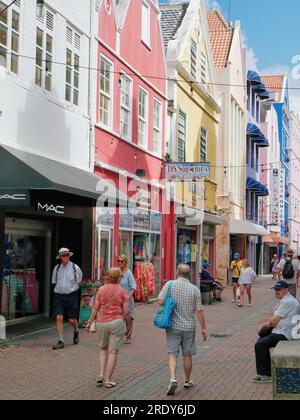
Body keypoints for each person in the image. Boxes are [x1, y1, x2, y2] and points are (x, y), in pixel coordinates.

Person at [158, 264, 207, 396]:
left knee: (172, 353)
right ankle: (187, 380)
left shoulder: (169, 285)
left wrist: (169, 303)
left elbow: (159, 300)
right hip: (189, 326)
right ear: (189, 274)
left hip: (173, 326)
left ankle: (173, 378)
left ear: (177, 272)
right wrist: (203, 328)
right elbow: (200, 310)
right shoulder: (194, 289)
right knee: (187, 354)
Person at [86, 268, 129, 388]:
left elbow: (95, 308)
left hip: (101, 322)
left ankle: (100, 374)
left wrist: (89, 322)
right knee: (113, 352)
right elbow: (126, 311)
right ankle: (108, 379)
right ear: (118, 278)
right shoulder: (122, 291)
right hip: (117, 322)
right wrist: (127, 324)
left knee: (103, 348)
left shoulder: (101, 289)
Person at [254, 280, 299, 383]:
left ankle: (266, 375)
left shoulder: (287, 301)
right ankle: (264, 372)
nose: (276, 292)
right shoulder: (286, 299)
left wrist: (262, 326)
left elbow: (273, 321)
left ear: (286, 290)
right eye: (275, 289)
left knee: (260, 345)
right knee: (260, 341)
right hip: (282, 331)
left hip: (285, 334)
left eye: (279, 289)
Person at [52, 248, 83, 350]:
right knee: (59, 317)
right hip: (59, 296)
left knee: (71, 320)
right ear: (60, 257)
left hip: (71, 295)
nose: (65, 257)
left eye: (67, 255)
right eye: (63, 255)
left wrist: (73, 290)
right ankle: (61, 341)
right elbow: (54, 282)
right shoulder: (56, 268)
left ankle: (76, 331)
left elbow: (79, 282)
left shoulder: (75, 268)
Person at [117, 255, 136, 344]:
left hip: (127, 300)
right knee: (119, 318)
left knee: (128, 318)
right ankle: (118, 336)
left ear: (125, 262)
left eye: (121, 261)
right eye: (118, 261)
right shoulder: (116, 272)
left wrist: (129, 296)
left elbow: (133, 287)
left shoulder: (129, 273)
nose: (119, 263)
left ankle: (129, 336)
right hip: (118, 299)